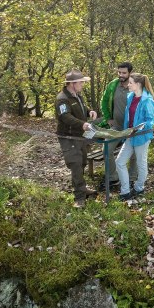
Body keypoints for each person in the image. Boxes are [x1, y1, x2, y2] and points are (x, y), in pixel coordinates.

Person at [115, 73, 154, 201]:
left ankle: (139, 188)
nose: (128, 85)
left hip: (142, 137)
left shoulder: (147, 100)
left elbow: (150, 120)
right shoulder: (130, 97)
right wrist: (126, 131)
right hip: (129, 136)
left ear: (138, 84)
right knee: (120, 162)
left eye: (130, 83)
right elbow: (128, 117)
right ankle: (125, 191)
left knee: (141, 164)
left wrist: (140, 127)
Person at [55, 69, 98, 208]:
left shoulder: (77, 95)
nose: (83, 84)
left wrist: (88, 111)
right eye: (81, 82)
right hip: (69, 137)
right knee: (76, 165)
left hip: (80, 137)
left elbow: (80, 109)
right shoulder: (62, 98)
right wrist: (82, 124)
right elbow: (65, 116)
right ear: (72, 83)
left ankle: (82, 189)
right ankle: (79, 198)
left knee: (82, 162)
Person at [99, 62, 136, 189]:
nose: (121, 75)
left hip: (132, 128)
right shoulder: (113, 85)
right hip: (117, 127)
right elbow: (104, 101)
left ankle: (132, 179)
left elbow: (149, 101)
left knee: (134, 153)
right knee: (106, 149)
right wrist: (108, 118)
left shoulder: (136, 84)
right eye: (119, 72)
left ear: (130, 73)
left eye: (124, 73)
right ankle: (113, 178)